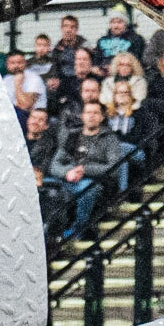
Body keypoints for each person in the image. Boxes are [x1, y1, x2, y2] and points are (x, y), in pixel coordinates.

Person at [47, 100, 128, 238]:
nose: (91, 116)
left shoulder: (110, 139)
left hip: (93, 182)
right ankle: (50, 233)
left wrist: (84, 169)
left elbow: (114, 168)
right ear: (82, 116)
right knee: (45, 185)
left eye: (96, 113)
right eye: (88, 112)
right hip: (69, 179)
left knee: (88, 188)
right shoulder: (72, 136)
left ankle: (78, 230)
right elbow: (54, 165)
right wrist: (67, 173)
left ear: (102, 117)